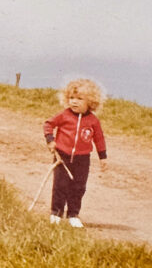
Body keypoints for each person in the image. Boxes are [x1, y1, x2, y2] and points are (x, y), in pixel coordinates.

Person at [43, 78, 108, 228]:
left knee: (78, 186)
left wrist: (103, 157)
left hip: (82, 159)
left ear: (90, 102)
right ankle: (56, 213)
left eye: (79, 99)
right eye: (72, 98)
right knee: (60, 185)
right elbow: (48, 124)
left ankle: (73, 214)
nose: (74, 102)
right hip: (62, 156)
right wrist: (50, 140)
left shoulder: (93, 121)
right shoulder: (64, 115)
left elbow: (99, 139)